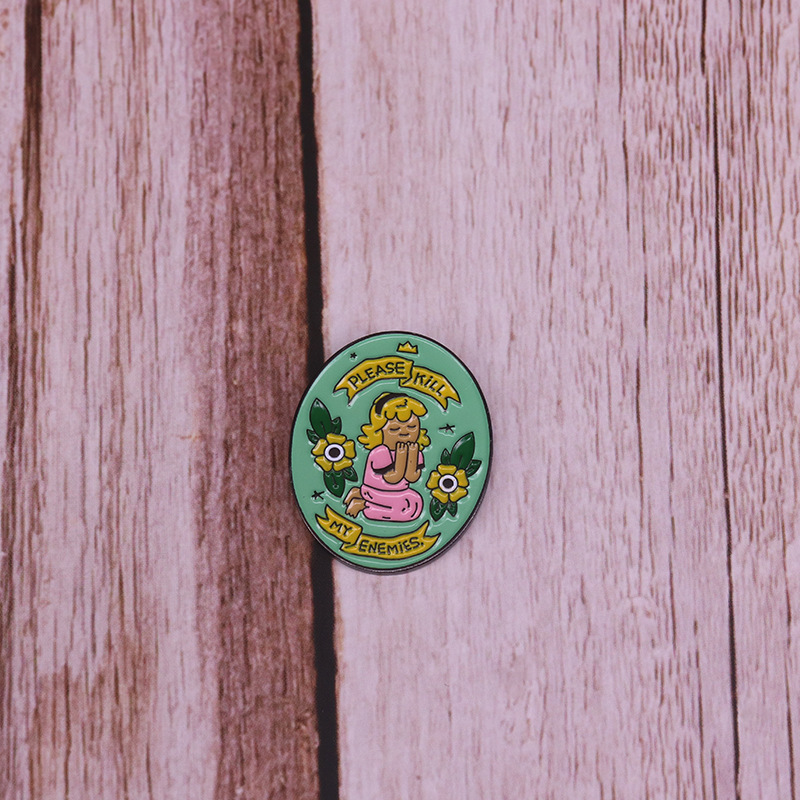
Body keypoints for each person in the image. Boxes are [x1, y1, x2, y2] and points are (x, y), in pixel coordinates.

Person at [345, 392, 429, 522]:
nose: (404, 433)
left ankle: (359, 495)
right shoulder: (380, 452)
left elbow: (412, 477)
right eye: (394, 429)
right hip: (375, 491)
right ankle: (364, 505)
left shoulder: (416, 452)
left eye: (412, 427)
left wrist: (411, 455)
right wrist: (401, 456)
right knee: (406, 510)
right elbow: (392, 478)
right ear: (378, 431)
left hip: (400, 492)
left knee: (415, 504)